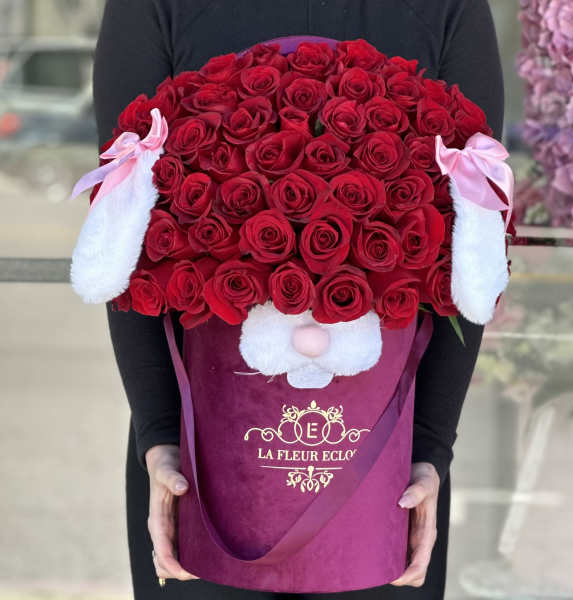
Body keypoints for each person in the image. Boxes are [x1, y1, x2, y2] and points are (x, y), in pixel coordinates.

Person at [93, 1, 504, 598]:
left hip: (380, 462)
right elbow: (121, 225)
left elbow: (475, 235)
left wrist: (428, 452)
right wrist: (160, 441)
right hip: (202, 458)